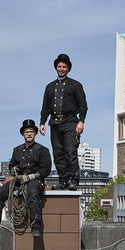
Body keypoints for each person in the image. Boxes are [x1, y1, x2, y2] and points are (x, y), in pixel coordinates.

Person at [0, 119, 52, 238]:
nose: (29, 134)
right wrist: (13, 170)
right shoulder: (17, 150)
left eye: (31, 132)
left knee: (33, 194)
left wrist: (31, 176)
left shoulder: (43, 150)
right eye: (27, 132)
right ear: (23, 134)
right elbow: (12, 165)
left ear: (34, 134)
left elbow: (46, 169)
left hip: (34, 180)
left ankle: (36, 227)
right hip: (19, 180)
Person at [39, 54, 87, 191]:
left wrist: (81, 121)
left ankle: (73, 180)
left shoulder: (75, 85)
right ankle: (63, 179)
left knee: (70, 152)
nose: (61, 69)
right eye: (59, 66)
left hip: (71, 122)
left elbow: (83, 106)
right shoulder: (49, 87)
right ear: (56, 68)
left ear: (68, 68)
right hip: (54, 123)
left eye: (64, 67)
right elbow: (45, 107)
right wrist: (42, 122)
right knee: (58, 153)